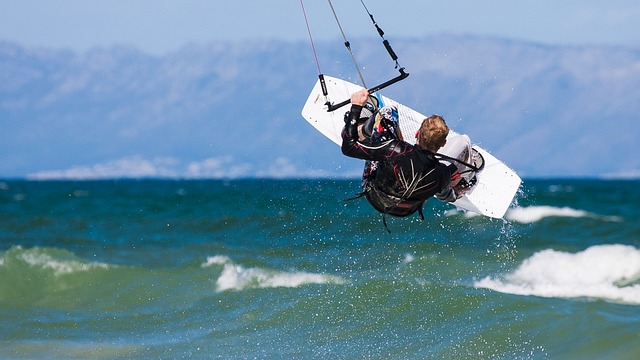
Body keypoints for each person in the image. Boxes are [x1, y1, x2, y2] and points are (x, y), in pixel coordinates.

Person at [341, 89, 469, 221]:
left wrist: (356, 107)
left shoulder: (394, 149)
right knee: (464, 141)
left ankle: (362, 132)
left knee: (388, 112)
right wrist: (456, 193)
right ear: (443, 144)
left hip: (374, 197)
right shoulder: (443, 174)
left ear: (417, 134)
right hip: (406, 211)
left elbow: (348, 148)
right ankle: (466, 174)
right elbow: (445, 196)